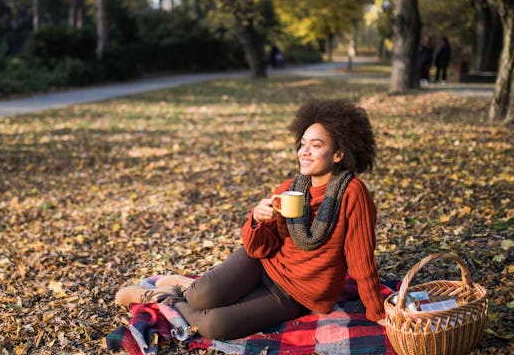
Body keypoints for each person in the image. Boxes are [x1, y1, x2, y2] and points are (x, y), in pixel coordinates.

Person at [115, 99, 386, 340]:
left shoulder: (352, 194)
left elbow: (361, 258)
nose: (304, 152)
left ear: (338, 154)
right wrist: (257, 220)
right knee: (200, 297)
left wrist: (376, 312)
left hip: (295, 293)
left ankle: (167, 298)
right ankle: (187, 287)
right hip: (262, 265)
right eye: (302, 144)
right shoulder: (288, 189)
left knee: (215, 325)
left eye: (316, 146)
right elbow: (258, 249)